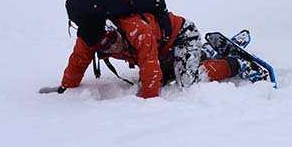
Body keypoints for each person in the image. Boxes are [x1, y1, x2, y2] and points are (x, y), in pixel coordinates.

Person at [59, 10, 243, 98]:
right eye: (106, 47)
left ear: (114, 29)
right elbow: (78, 62)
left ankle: (232, 64)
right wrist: (66, 88)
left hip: (182, 36)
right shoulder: (87, 40)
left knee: (187, 82)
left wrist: (146, 105)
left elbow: (150, 70)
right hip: (162, 52)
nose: (114, 47)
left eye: (113, 39)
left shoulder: (137, 31)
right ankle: (197, 56)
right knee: (158, 81)